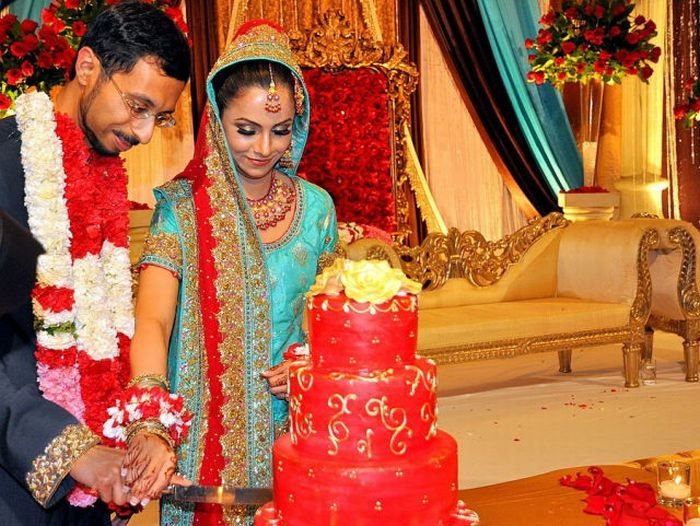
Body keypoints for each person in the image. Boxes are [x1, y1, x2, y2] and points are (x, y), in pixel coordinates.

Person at [125, 20, 338, 525]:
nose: (264, 147)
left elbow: (335, 319)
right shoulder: (182, 209)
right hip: (201, 439)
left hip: (297, 431)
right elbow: (153, 321)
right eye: (246, 129)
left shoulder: (316, 208)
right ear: (216, 123)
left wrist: (315, 366)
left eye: (280, 130)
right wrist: (151, 419)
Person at [0, 1, 191, 524]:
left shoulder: (102, 176)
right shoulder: (4, 166)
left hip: (87, 495)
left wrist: (134, 438)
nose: (146, 133)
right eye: (137, 105)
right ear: (87, 68)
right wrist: (71, 452)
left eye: (161, 116)